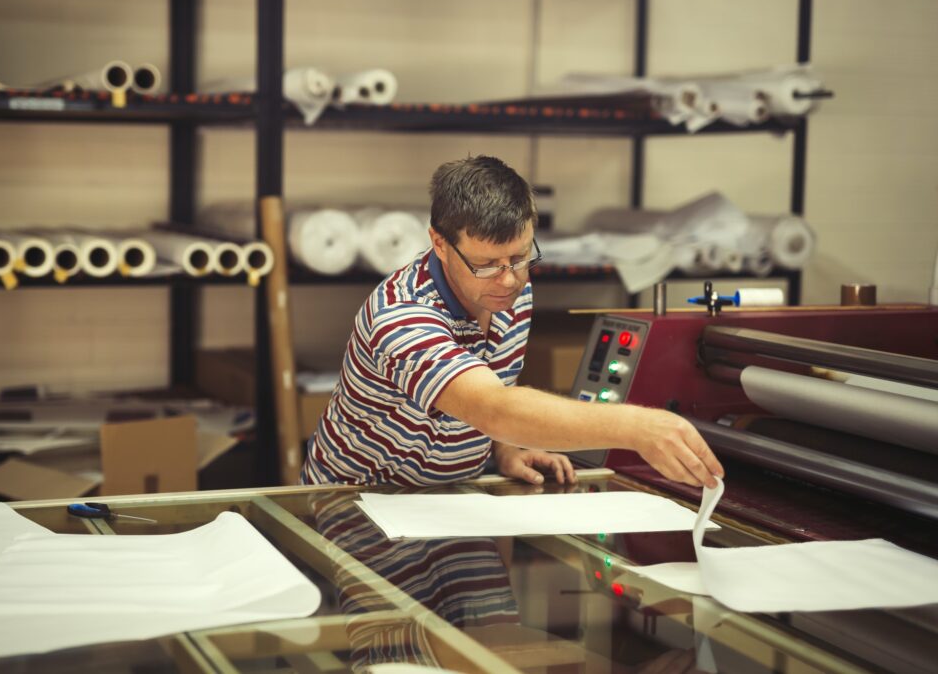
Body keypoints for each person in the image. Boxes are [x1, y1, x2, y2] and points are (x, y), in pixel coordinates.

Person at [301, 155, 723, 489]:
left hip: (450, 502)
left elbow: (494, 384)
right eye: (485, 264)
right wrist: (639, 427)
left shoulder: (508, 289)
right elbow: (493, 408)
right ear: (439, 243)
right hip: (358, 503)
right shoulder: (401, 316)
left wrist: (503, 451)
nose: (508, 279)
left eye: (520, 257)